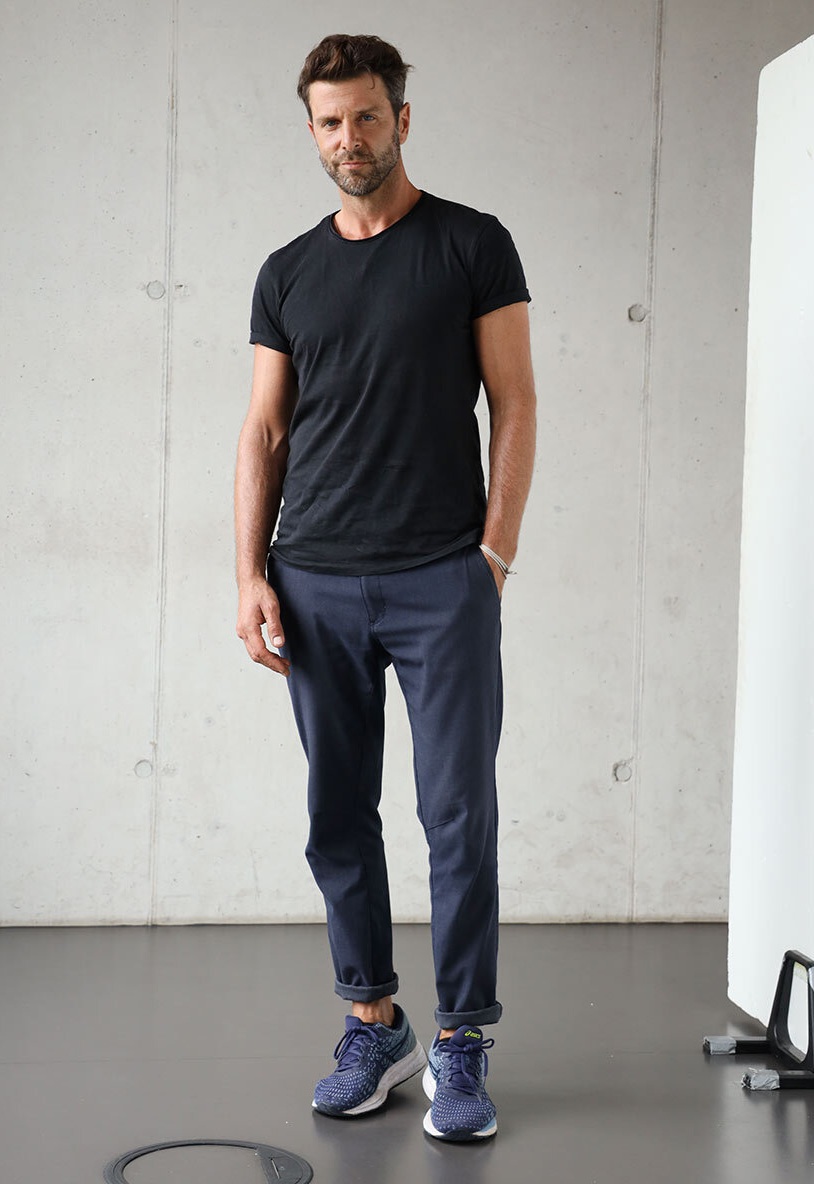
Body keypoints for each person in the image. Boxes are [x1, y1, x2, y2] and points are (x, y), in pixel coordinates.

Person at [234, 32, 536, 1142]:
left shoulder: (470, 244)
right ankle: (374, 1023)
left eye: (366, 117)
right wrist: (249, 571)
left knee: (457, 814)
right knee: (336, 814)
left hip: (440, 576)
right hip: (313, 577)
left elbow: (515, 402)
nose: (348, 139)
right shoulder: (286, 271)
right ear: (311, 131)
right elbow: (265, 431)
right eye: (329, 122)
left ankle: (461, 1043)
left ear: (401, 119)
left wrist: (493, 555)